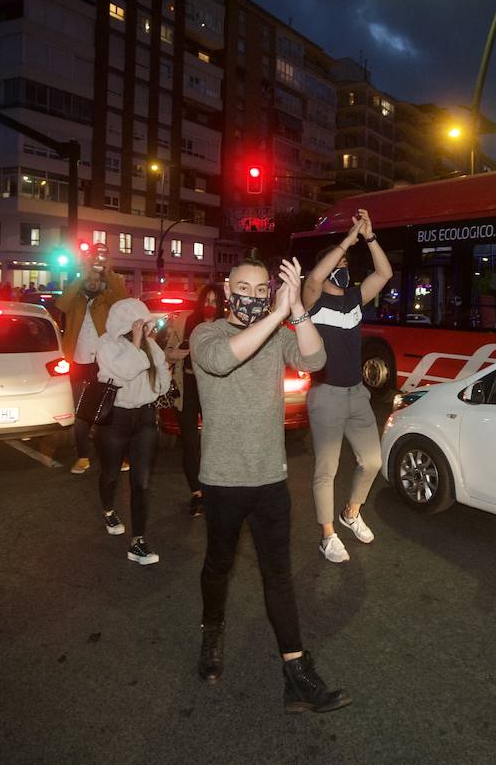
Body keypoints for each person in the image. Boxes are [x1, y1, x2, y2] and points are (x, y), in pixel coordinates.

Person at [189, 256, 349, 714]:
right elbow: (221, 362)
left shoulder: (279, 330)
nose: (254, 297)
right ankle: (212, 634)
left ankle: (296, 673)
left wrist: (295, 307)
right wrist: (278, 314)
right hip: (222, 479)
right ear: (225, 287)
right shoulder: (208, 334)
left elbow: (316, 357)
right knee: (219, 565)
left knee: (278, 577)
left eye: (263, 290)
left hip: (271, 479)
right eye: (244, 287)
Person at [300, 208, 393, 563]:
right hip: (325, 394)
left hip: (357, 393)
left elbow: (384, 273)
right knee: (327, 468)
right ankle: (328, 535)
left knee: (371, 461)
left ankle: (351, 512)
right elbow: (312, 279)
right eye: (337, 264)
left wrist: (369, 237)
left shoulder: (354, 299)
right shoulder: (312, 301)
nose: (344, 269)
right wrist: (346, 240)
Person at [94, 298, 170, 566]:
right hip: (116, 417)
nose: (147, 328)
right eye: (141, 323)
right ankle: (108, 509)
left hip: (145, 417)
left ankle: (138, 540)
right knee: (111, 472)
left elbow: (162, 381)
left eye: (146, 323)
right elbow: (123, 372)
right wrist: (137, 344)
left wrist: (154, 383)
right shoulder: (106, 345)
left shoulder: (152, 346)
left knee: (142, 481)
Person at [54, 257, 130, 474]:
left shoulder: (106, 299)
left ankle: (117, 456)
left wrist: (110, 273)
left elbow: (124, 300)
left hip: (104, 363)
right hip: (78, 363)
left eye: (96, 279)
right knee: (81, 413)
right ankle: (83, 456)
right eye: (89, 278)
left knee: (110, 410)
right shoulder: (74, 300)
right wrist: (81, 276)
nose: (93, 282)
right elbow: (60, 304)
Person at [165, 283, 227, 517]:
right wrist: (178, 352)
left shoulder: (225, 326)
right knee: (190, 444)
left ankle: (215, 489)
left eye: (214, 301)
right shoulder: (185, 321)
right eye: (206, 300)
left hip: (214, 389)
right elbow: (167, 351)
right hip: (188, 387)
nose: (209, 305)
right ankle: (197, 494)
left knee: (214, 442)